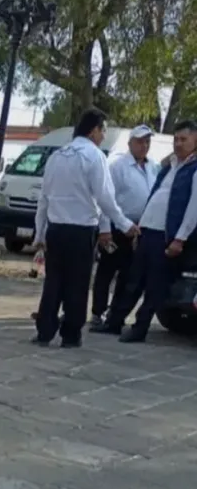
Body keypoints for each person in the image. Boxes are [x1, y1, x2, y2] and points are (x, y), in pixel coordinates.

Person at [32, 108, 139, 348]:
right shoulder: (94, 156)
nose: (104, 136)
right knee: (77, 284)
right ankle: (71, 334)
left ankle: (45, 330)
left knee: (53, 283)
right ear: (93, 131)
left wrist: (39, 233)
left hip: (56, 229)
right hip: (80, 231)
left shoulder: (57, 156)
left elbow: (44, 200)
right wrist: (125, 224)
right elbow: (105, 198)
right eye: (103, 130)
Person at [92, 120, 197, 342]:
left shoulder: (194, 169)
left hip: (167, 236)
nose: (178, 144)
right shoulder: (169, 166)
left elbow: (193, 208)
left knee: (154, 285)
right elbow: (155, 196)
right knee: (133, 280)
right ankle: (114, 322)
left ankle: (140, 328)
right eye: (176, 139)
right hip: (147, 231)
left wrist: (179, 239)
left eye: (184, 139)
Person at [89, 125, 159, 326]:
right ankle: (98, 311)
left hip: (138, 229)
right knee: (107, 270)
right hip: (117, 227)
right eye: (140, 141)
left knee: (128, 273)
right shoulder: (117, 166)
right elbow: (106, 199)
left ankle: (115, 312)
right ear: (130, 143)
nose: (144, 146)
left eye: (147, 142)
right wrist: (105, 229)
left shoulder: (152, 167)